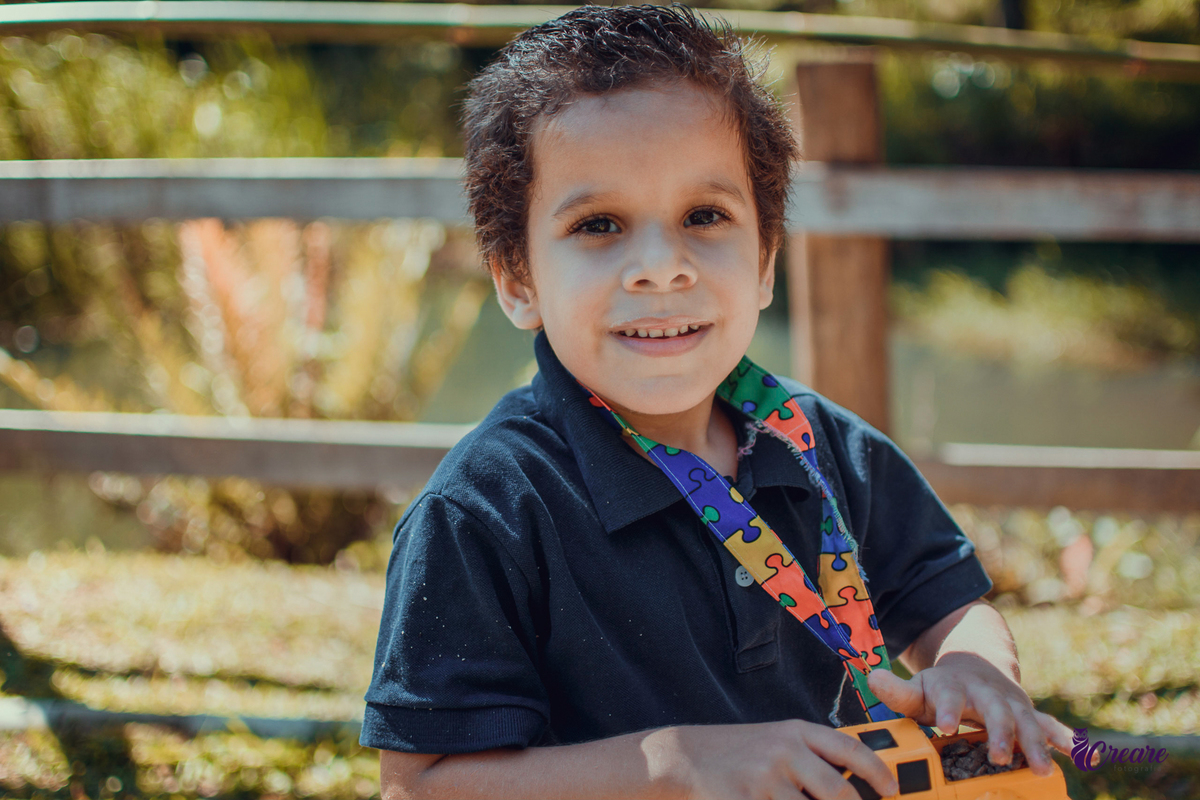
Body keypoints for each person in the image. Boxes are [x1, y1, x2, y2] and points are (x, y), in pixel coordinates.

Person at [360, 4, 1073, 798]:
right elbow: (419, 786)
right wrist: (673, 765)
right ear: (518, 280)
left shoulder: (820, 442)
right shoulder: (483, 510)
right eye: (599, 224)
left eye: (704, 216)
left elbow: (947, 607)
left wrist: (977, 666)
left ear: (765, 261)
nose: (662, 267)